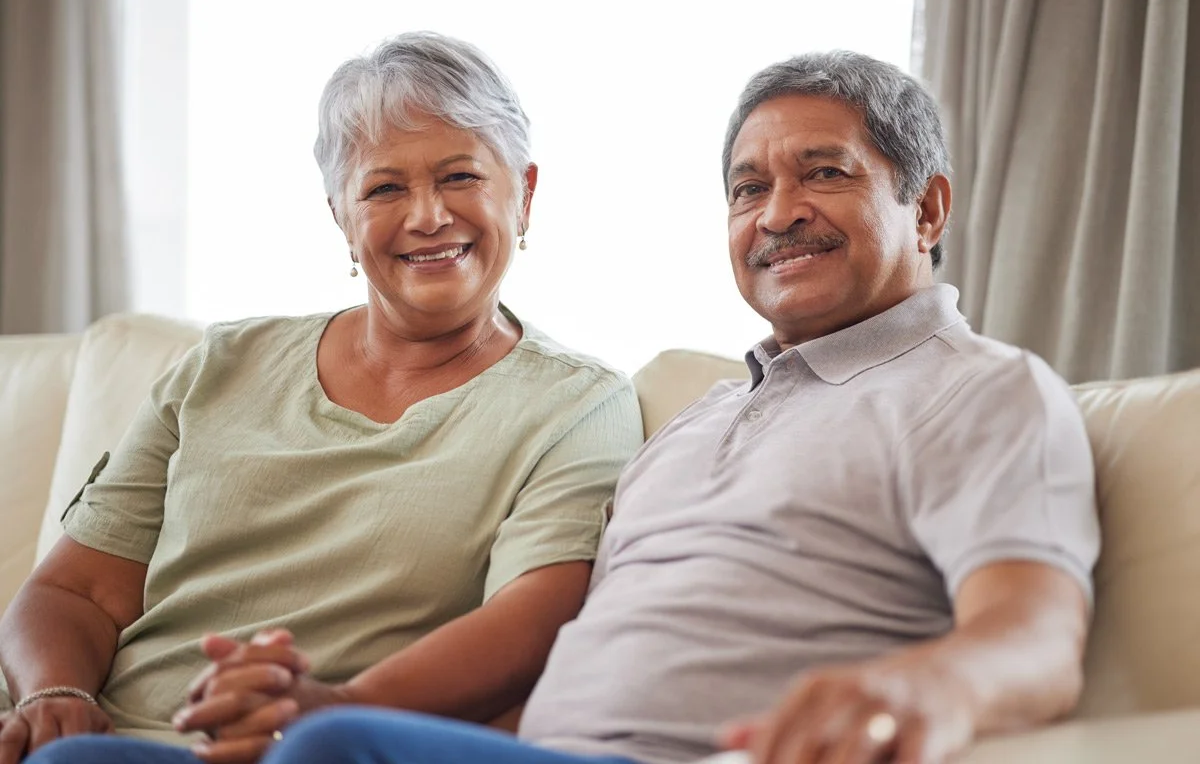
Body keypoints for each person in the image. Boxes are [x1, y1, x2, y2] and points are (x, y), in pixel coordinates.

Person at [246, 50, 1100, 764]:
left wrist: (926, 687)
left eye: (824, 173)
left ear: (929, 209)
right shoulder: (698, 419)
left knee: (335, 751)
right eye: (746, 187)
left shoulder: (980, 388)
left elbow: (1037, 637)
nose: (778, 213)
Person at [0, 32, 644, 764]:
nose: (428, 215)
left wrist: (326, 710)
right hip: (108, 734)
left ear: (524, 193)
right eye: (384, 188)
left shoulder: (576, 406)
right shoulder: (221, 364)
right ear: (341, 216)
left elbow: (529, 623)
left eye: (461, 177)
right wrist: (54, 697)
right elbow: (78, 591)